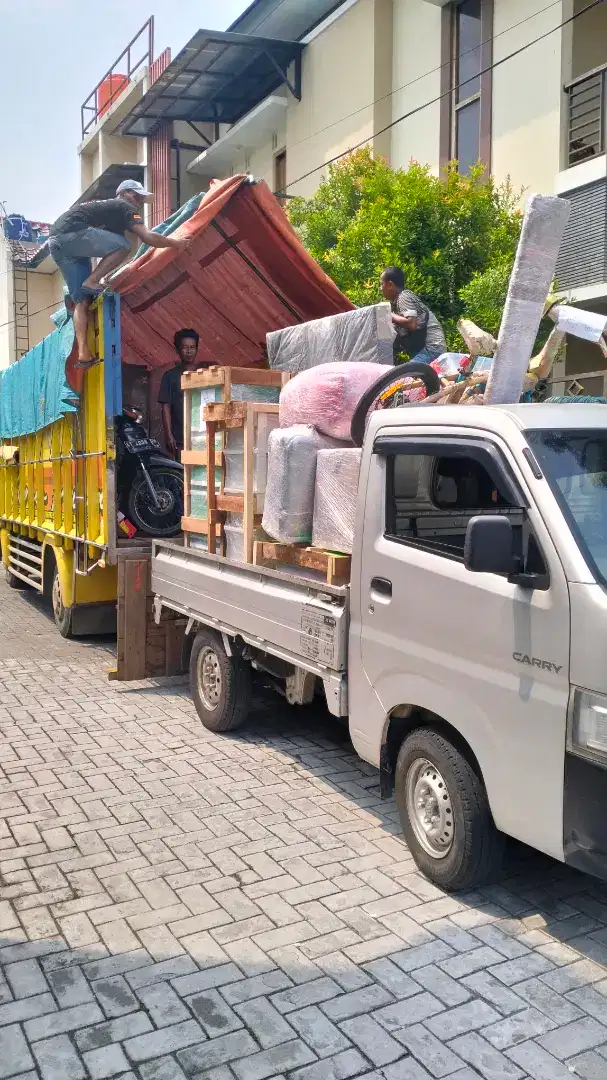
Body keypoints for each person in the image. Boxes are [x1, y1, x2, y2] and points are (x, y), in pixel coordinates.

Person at [49, 180, 193, 368]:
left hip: (57, 244)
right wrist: (176, 243)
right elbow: (148, 237)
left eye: (141, 199)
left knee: (81, 301)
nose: (139, 202)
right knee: (125, 246)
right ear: (123, 193)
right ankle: (93, 280)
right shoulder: (123, 206)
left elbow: (104, 247)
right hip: (71, 235)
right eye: (137, 196)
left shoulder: (108, 214)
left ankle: (83, 353)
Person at [380, 266, 446, 364]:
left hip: (432, 349)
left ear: (390, 285)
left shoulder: (404, 296)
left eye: (381, 284)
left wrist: (386, 314)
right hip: (425, 350)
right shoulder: (396, 305)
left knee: (405, 375)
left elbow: (411, 324)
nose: (380, 288)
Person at [158, 329, 206, 459]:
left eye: (192, 347)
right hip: (180, 438)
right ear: (177, 350)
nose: (189, 351)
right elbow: (165, 407)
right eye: (185, 347)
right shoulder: (170, 376)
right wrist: (169, 436)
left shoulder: (205, 374)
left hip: (204, 436)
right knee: (182, 475)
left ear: (197, 349)